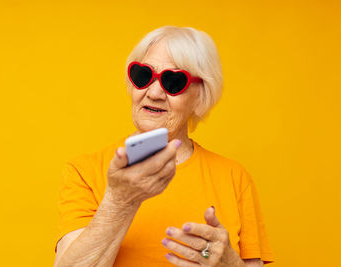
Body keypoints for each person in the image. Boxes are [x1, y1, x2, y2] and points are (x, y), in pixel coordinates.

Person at [54, 26, 274, 266]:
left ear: (201, 94)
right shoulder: (84, 172)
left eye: (173, 81)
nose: (155, 92)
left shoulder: (234, 178)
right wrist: (120, 201)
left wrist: (229, 263)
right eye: (143, 76)